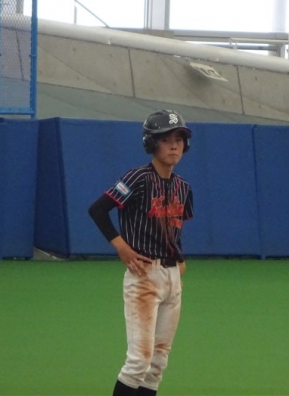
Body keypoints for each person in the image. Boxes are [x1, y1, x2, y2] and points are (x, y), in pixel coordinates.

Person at [88, 110, 194, 396]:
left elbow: (174, 228)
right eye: (166, 140)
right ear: (151, 144)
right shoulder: (137, 178)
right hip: (144, 276)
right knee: (138, 362)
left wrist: (179, 260)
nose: (174, 146)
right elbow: (98, 210)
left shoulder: (183, 188)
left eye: (179, 139)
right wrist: (121, 246)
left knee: (158, 363)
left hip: (171, 278)